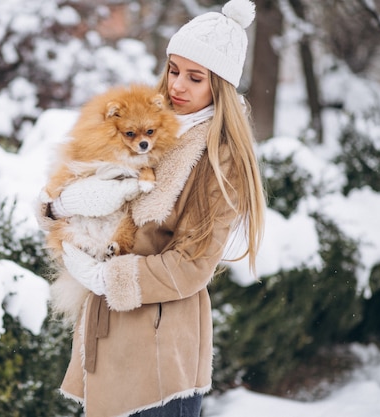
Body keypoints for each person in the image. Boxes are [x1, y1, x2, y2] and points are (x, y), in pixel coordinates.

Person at [36, 0, 266, 416]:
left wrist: (109, 276)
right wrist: (61, 204)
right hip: (108, 336)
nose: (177, 86)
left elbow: (192, 264)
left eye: (195, 78)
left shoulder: (220, 156)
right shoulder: (150, 122)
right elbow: (83, 169)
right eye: (174, 69)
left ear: (220, 87)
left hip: (161, 343)